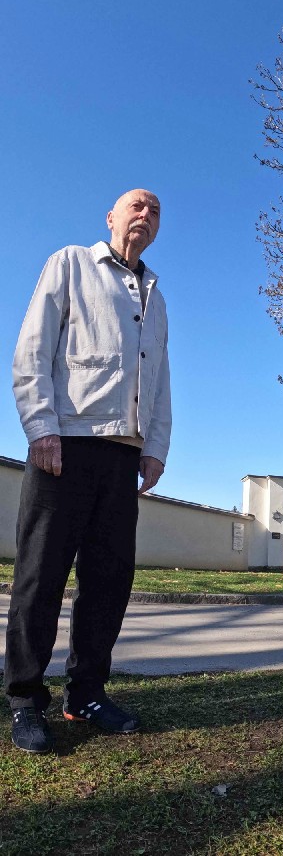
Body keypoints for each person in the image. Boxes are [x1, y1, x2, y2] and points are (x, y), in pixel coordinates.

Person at [6, 189, 171, 753]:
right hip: (65, 445)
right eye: (136, 206)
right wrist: (41, 428)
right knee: (41, 575)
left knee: (109, 580)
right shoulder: (71, 263)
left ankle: (87, 693)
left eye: (155, 211)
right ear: (111, 217)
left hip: (122, 456)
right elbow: (32, 351)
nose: (145, 215)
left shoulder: (155, 294)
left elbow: (161, 381)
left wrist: (156, 448)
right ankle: (26, 699)